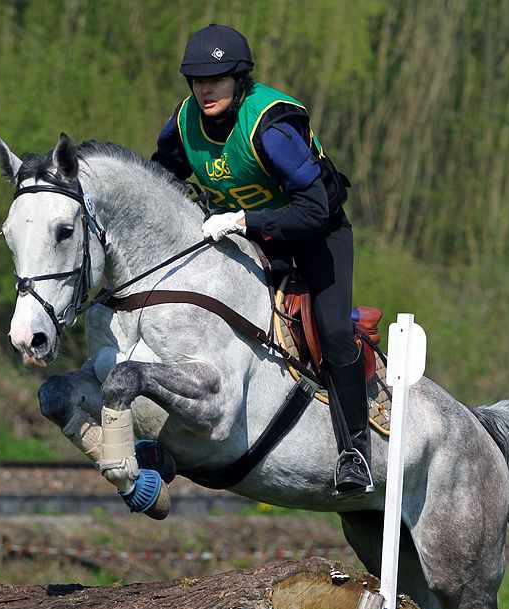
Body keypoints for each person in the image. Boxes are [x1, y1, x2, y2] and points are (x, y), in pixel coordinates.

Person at [151, 23, 374, 495]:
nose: (205, 89)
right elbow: (157, 179)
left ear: (239, 78)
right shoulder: (185, 123)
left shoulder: (270, 127)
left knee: (333, 333)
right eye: (197, 80)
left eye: (217, 79)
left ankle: (355, 449)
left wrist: (242, 221)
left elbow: (314, 210)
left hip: (318, 234)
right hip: (252, 235)